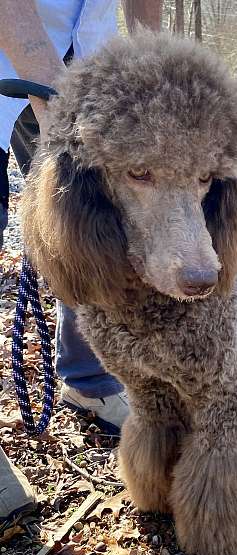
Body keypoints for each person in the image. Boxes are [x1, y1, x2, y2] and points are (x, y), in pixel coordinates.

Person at [0, 0, 162, 524]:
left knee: (94, 229)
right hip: (15, 53)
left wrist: (146, 70)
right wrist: (54, 94)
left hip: (88, 63)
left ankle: (88, 381)